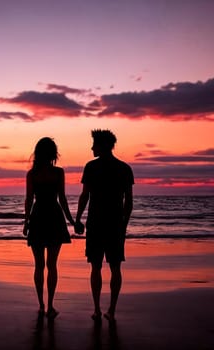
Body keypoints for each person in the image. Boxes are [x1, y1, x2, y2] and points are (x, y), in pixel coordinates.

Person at [75, 129, 134, 322]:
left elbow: (85, 196)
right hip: (115, 223)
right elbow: (129, 201)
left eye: (94, 144)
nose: (92, 147)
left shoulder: (91, 167)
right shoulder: (124, 168)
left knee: (96, 266)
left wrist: (77, 219)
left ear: (102, 145)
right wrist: (124, 223)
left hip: (96, 222)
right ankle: (111, 310)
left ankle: (97, 310)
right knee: (115, 267)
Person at [23, 137, 75, 319]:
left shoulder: (32, 174)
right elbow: (62, 199)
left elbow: (29, 200)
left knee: (39, 265)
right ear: (53, 153)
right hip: (54, 216)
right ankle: (50, 306)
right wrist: (72, 221)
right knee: (51, 265)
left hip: (38, 217)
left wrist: (26, 221)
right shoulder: (58, 173)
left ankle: (41, 304)